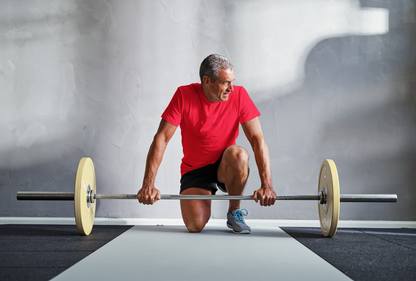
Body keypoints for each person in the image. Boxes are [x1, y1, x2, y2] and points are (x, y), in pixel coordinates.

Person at [137, 54, 276, 234]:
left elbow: (257, 140)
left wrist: (267, 185)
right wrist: (148, 184)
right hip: (195, 170)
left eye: (232, 82)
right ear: (207, 81)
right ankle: (204, 195)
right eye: (225, 82)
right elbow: (162, 138)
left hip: (226, 167)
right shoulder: (184, 95)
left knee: (240, 154)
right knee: (195, 225)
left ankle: (234, 211)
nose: (231, 88)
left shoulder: (240, 95)